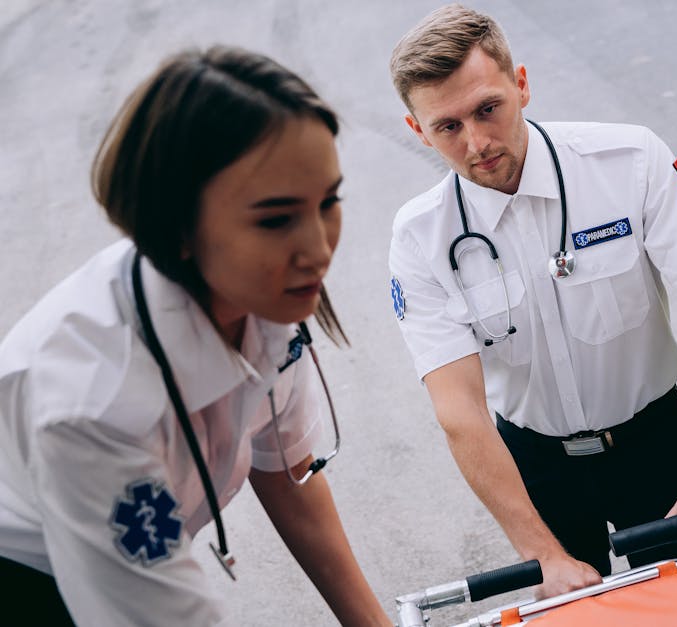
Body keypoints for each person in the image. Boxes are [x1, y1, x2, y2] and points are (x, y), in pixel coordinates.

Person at [0, 46, 390, 626]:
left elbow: (286, 474)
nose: (319, 250)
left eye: (328, 202)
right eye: (276, 219)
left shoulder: (265, 299)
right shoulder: (91, 402)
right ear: (177, 226)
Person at [387, 4, 677, 598]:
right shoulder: (420, 237)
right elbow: (459, 412)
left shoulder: (630, 163)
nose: (477, 142)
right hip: (535, 467)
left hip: (654, 448)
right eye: (448, 127)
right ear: (418, 131)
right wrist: (541, 553)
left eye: (488, 108)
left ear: (522, 84)